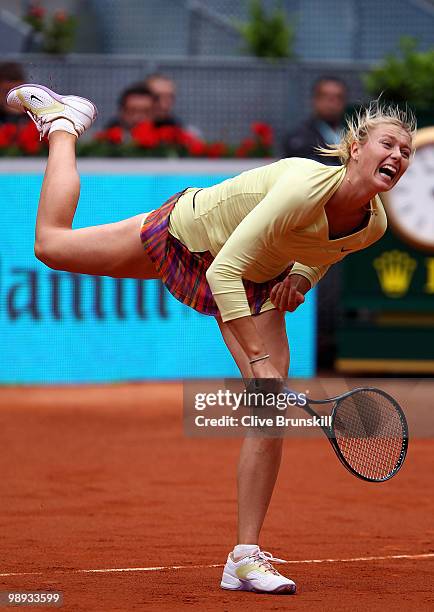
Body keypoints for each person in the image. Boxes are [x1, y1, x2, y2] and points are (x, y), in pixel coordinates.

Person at [6, 83, 415, 595]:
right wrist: (259, 359)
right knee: (51, 245)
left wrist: (301, 279)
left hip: (258, 274)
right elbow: (224, 272)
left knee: (267, 410)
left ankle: (244, 558)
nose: (398, 155)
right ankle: (63, 126)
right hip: (194, 236)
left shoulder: (373, 225)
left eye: (406, 151)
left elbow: (327, 248)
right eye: (387, 145)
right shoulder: (301, 186)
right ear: (356, 149)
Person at [284, 76, 348, 165]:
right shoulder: (299, 138)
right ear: (315, 100)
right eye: (326, 97)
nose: (333, 103)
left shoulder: (352, 135)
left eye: (338, 97)